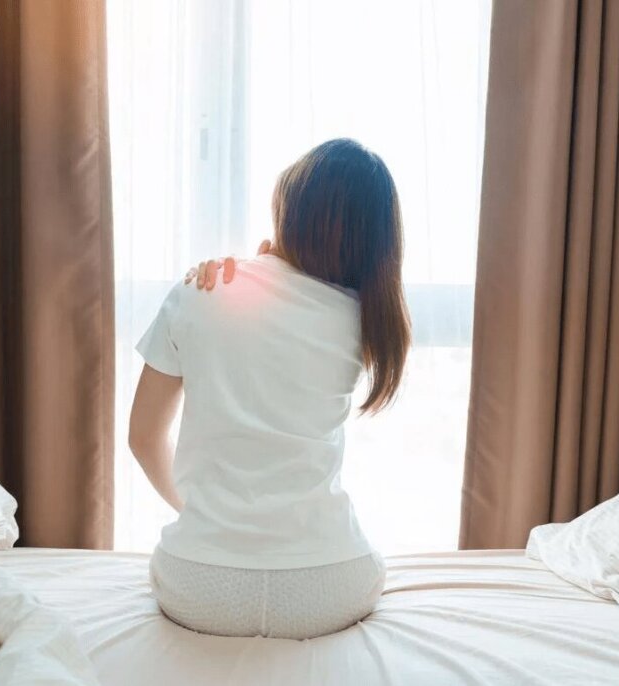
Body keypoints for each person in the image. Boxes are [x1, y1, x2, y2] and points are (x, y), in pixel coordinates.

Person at [128, 138, 411, 640]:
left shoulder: (201, 290)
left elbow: (143, 438)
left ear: (288, 208)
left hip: (199, 585)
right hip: (331, 586)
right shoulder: (365, 319)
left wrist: (200, 515)